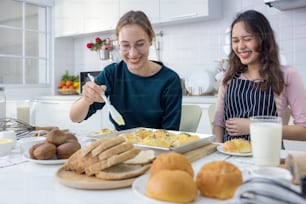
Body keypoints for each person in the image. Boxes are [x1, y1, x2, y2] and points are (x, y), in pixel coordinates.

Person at [69, 10, 182, 131]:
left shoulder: (169, 80)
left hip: (158, 147)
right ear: (118, 44)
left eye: (140, 44)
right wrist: (86, 100)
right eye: (125, 45)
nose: (133, 54)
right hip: (122, 146)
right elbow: (75, 118)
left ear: (151, 40)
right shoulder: (112, 74)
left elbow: (170, 133)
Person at [213, 10, 306, 143]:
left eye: (247, 39)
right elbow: (219, 123)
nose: (240, 47)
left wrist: (254, 126)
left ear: (263, 39)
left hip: (267, 158)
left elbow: (304, 130)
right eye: (235, 41)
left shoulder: (287, 75)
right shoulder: (228, 77)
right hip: (229, 155)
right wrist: (217, 150)